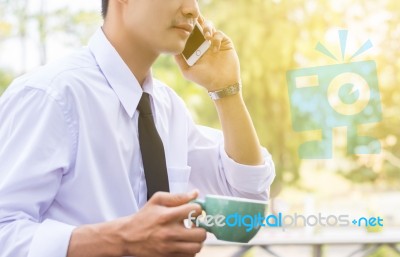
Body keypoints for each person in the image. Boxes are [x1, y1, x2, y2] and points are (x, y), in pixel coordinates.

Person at [0, 0, 275, 256]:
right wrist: (121, 238)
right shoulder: (51, 95)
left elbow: (246, 210)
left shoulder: (169, 109)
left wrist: (225, 90)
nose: (192, 9)